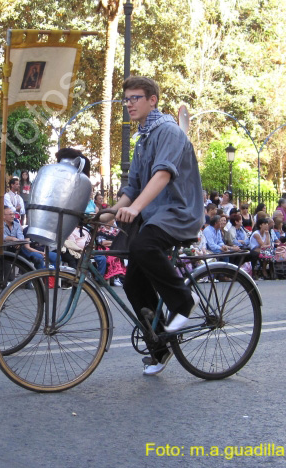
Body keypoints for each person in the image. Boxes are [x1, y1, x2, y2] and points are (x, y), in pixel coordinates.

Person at [105, 76, 204, 376]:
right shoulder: (144, 138)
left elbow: (162, 175)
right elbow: (132, 187)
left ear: (153, 100)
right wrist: (108, 214)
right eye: (126, 99)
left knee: (142, 245)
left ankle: (184, 302)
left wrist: (135, 209)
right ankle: (160, 348)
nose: (129, 104)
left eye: (135, 98)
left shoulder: (169, 132)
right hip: (155, 216)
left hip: (179, 212)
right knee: (131, 282)